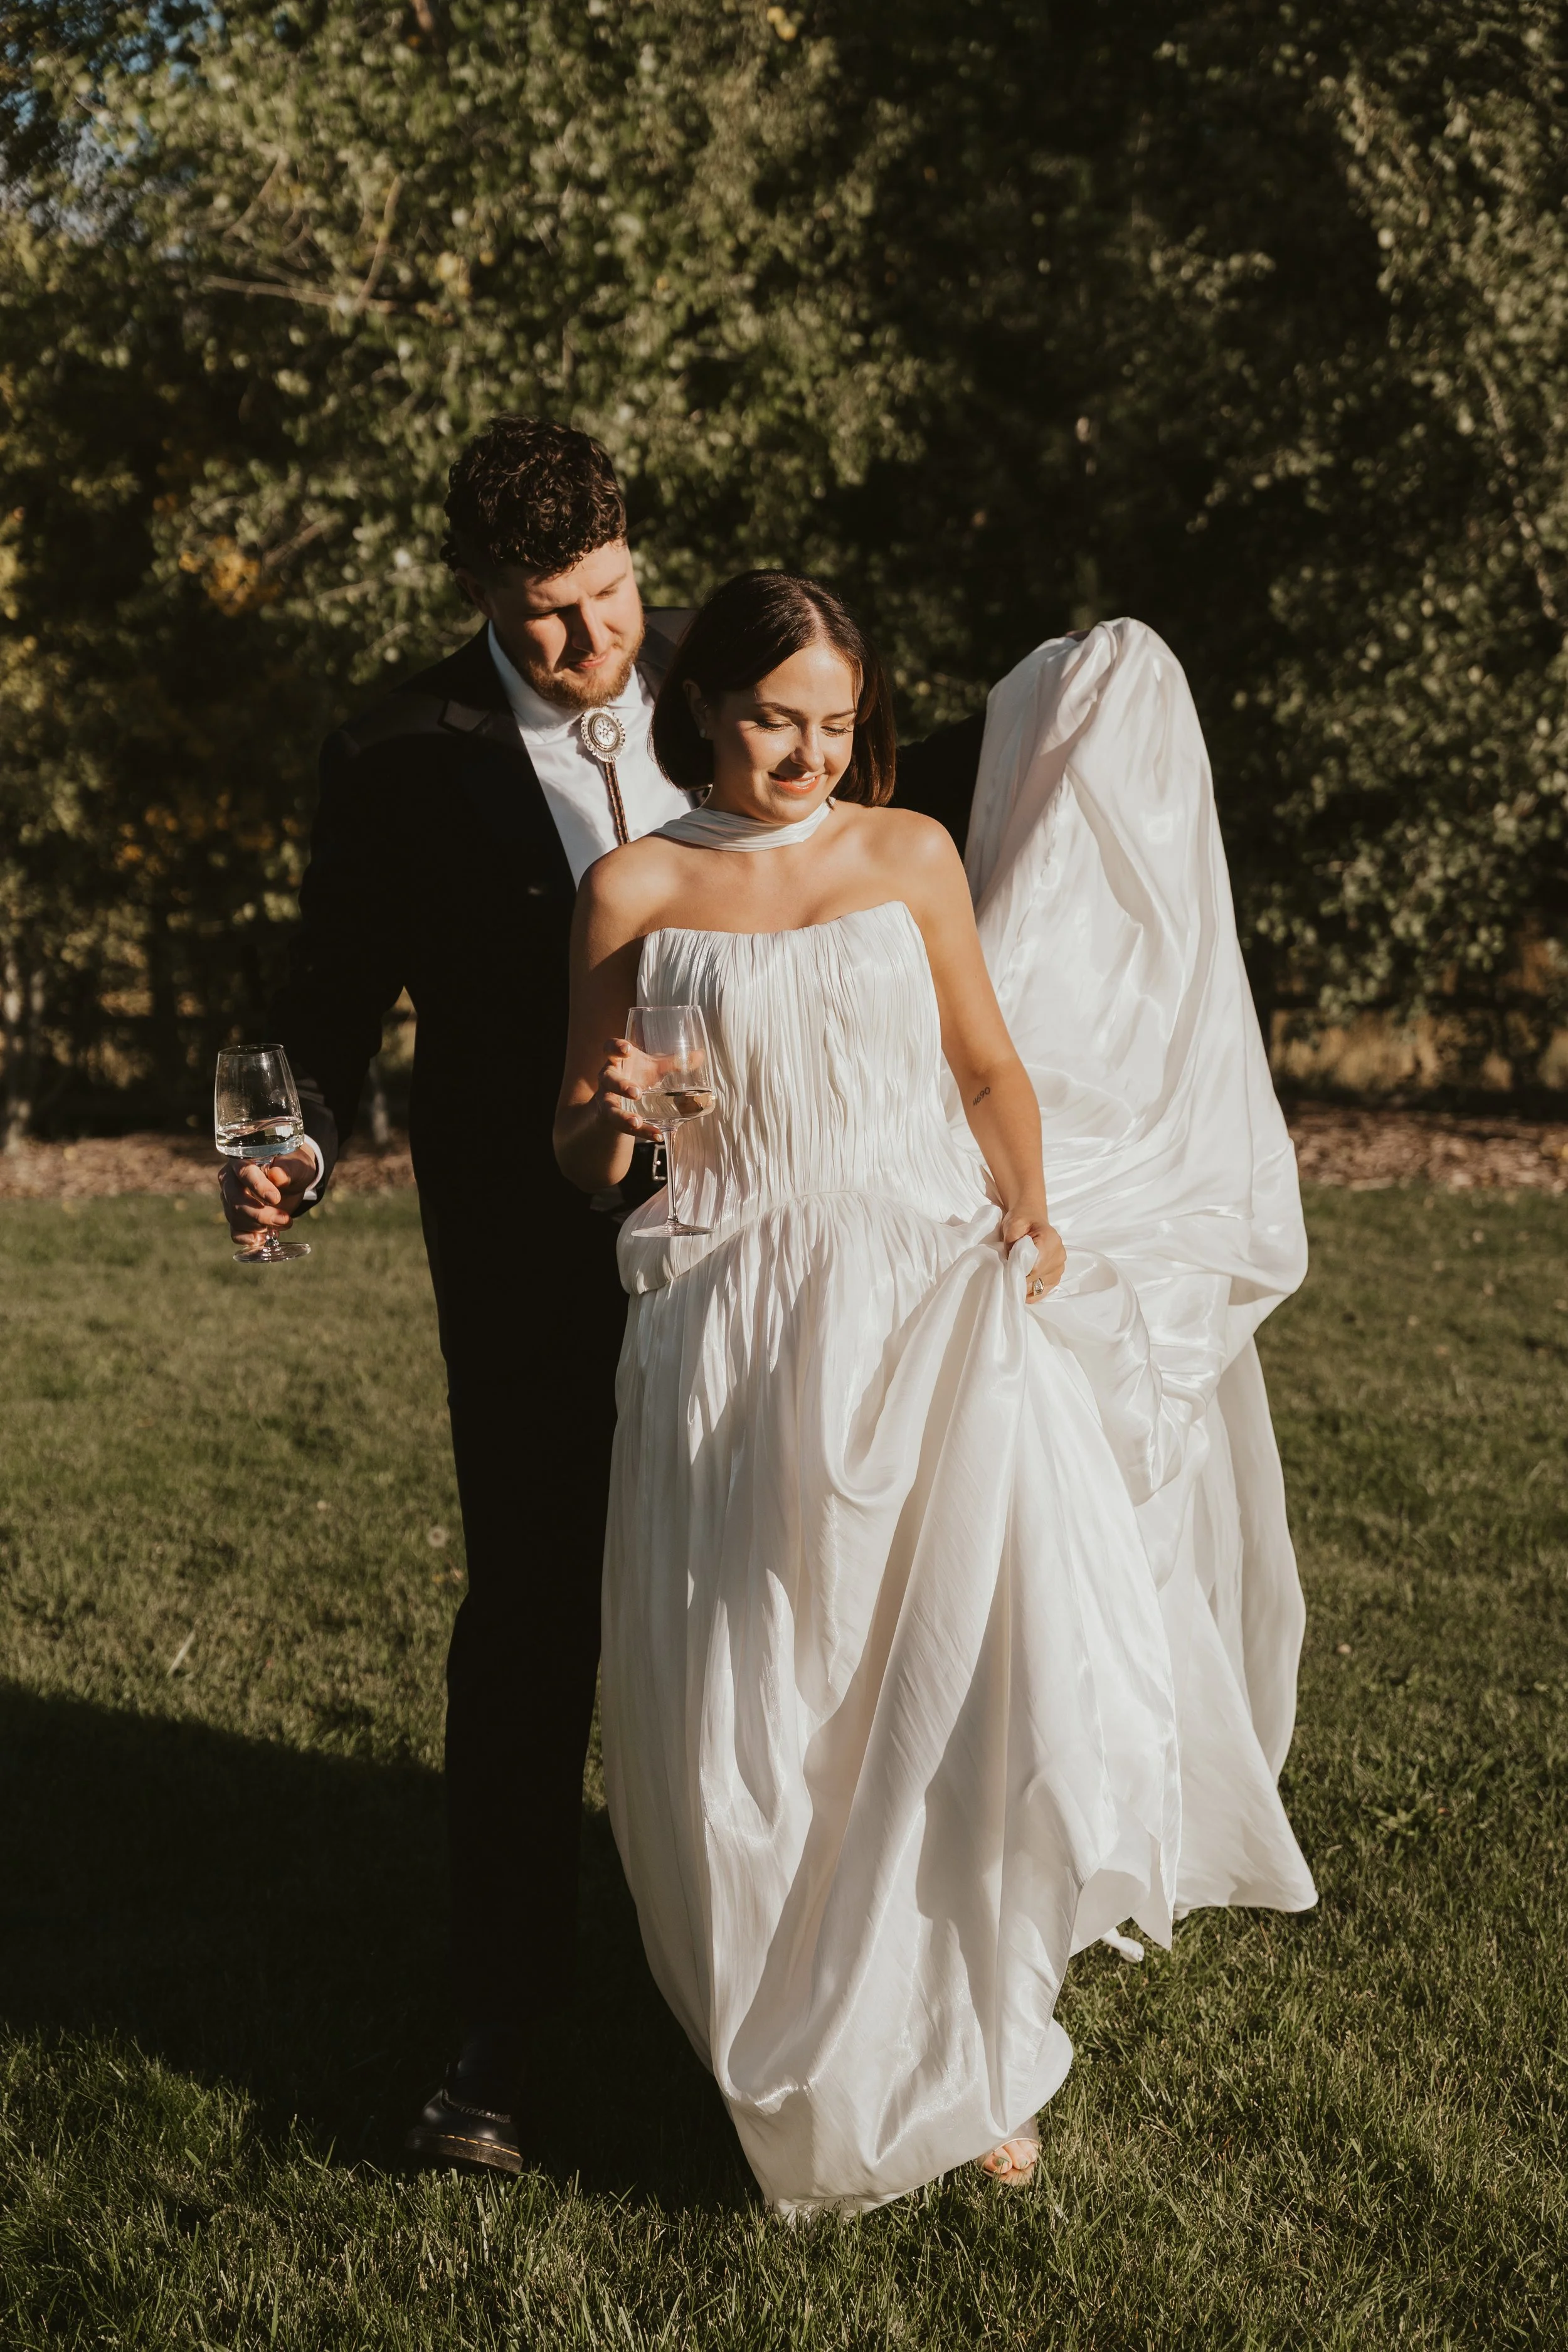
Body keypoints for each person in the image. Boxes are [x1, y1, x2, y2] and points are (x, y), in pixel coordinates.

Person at [554, 570, 1315, 2211]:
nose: (808, 755)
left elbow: (983, 1065)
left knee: (955, 1681)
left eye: (836, 723)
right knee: (770, 1697)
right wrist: (616, 1113)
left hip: (923, 1310)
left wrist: (1029, 1209)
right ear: (703, 711)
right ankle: (800, 2038)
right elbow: (584, 1151)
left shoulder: (908, 855)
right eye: (775, 721)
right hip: (732, 1324)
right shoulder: (634, 885)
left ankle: (972, 2047)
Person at [220, 418, 706, 2171]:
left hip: (763, 1232)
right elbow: (326, 997)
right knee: (531, 1612)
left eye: (608, 595)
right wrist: (284, 1140)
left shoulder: (729, 674)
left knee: (772, 1582)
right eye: (546, 614)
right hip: (522, 1245)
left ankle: (772, 1986)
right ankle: (502, 2027)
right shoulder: (395, 752)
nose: (592, 640)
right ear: (478, 594)